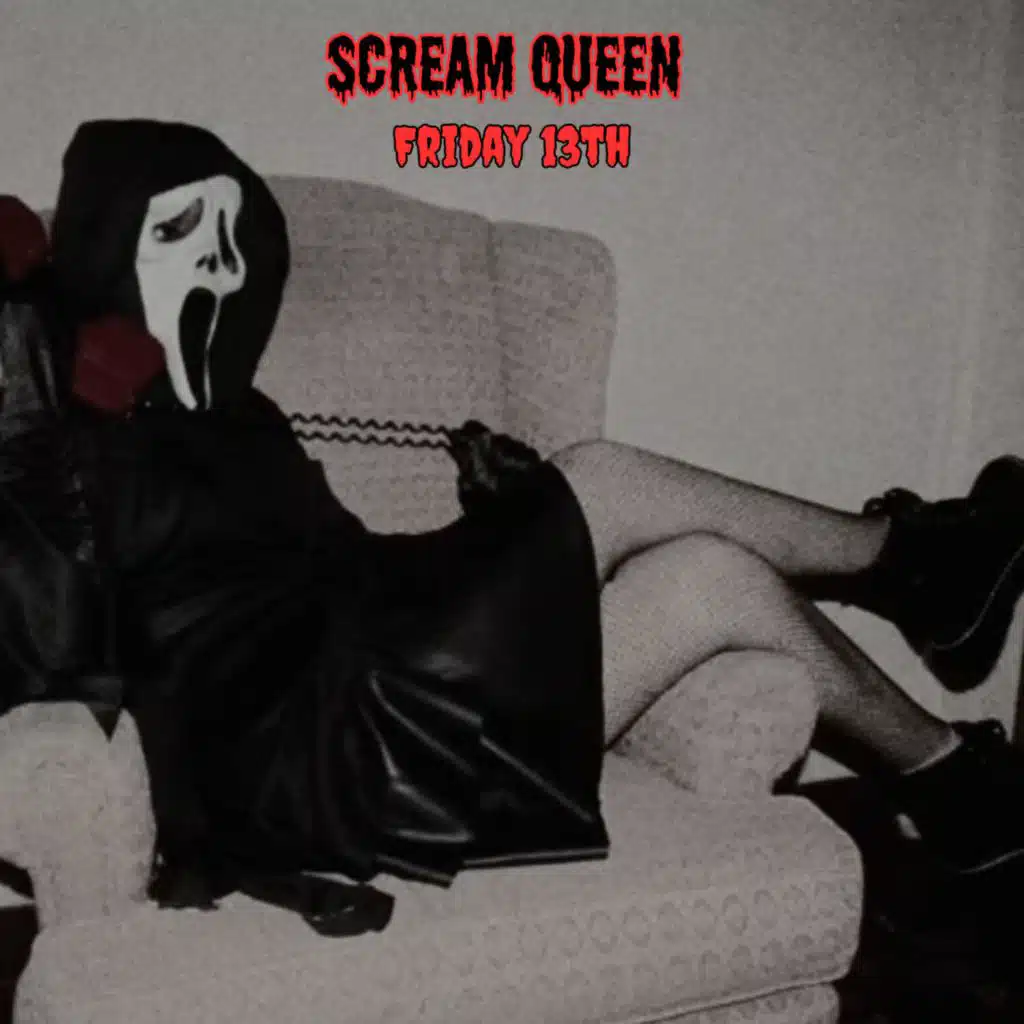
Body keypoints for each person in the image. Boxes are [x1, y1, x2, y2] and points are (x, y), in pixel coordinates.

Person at [2, 118, 1024, 909]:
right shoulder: (61, 439)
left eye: (230, 233)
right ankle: (914, 564)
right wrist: (31, 340)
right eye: (177, 230)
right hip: (314, 762)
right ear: (103, 243)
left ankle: (949, 784)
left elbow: (348, 571)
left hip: (379, 685)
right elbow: (52, 642)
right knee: (602, 474)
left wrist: (495, 528)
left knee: (709, 576)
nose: (220, 263)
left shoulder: (245, 420)